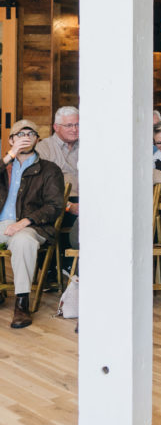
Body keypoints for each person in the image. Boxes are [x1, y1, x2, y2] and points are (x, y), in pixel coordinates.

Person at [0, 120, 65, 329]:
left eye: (31, 133)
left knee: (23, 241)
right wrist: (9, 157)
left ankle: (22, 304)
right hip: (3, 224)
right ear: (11, 140)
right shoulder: (4, 167)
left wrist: (23, 222)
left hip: (33, 225)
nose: (25, 137)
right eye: (20, 134)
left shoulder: (49, 170)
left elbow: (55, 206)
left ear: (37, 139)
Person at [36, 106, 80, 249]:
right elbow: (42, 188)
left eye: (78, 124)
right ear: (56, 127)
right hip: (60, 203)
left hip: (87, 201)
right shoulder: (44, 148)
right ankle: (63, 267)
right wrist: (68, 206)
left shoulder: (89, 146)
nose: (74, 129)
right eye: (69, 125)